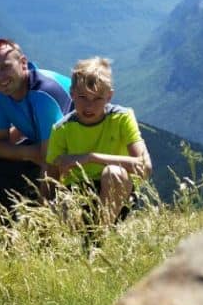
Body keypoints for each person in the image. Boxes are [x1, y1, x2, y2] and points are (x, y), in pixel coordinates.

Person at [46, 57, 152, 224]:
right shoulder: (61, 129)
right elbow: (50, 181)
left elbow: (145, 167)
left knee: (114, 173)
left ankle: (98, 236)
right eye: (82, 97)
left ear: (109, 96)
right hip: (76, 194)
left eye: (97, 99)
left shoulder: (122, 117)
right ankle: (87, 237)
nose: (89, 106)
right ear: (72, 94)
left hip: (116, 194)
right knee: (57, 204)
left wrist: (91, 157)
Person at [0, 38, 72, 217]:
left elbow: (50, 160)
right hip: (42, 144)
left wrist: (44, 210)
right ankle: (1, 237)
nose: (0, 77)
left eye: (5, 67)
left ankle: (45, 228)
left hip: (80, 147)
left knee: (49, 194)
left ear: (23, 63)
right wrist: (31, 152)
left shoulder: (44, 93)